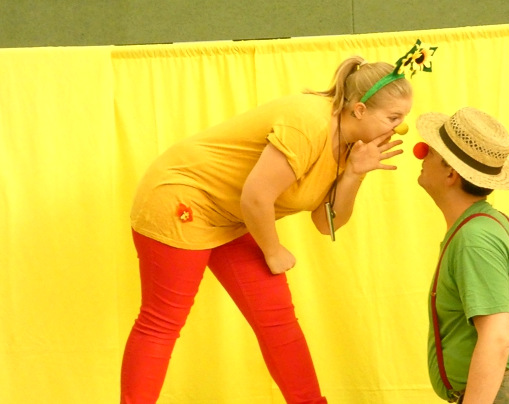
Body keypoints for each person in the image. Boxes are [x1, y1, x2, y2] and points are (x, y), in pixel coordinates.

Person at [120, 39, 436, 404]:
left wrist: (354, 175)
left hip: (234, 216)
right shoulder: (310, 123)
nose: (400, 128)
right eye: (394, 118)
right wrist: (272, 251)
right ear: (361, 110)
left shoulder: (353, 145)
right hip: (182, 196)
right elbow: (256, 196)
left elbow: (326, 223)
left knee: (278, 324)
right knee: (163, 321)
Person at [413, 107, 509, 403]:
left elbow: (496, 339)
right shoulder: (491, 225)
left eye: (431, 150)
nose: (422, 153)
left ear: (450, 173)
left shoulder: (474, 239)